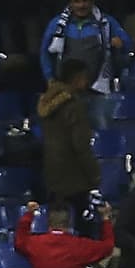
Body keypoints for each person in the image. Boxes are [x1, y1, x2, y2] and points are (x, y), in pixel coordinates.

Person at [39, 0, 132, 127]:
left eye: (84, 0)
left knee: (100, 127)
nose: (81, 5)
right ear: (70, 3)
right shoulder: (57, 25)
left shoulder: (106, 23)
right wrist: (49, 77)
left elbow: (128, 44)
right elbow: (45, 53)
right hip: (65, 91)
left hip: (98, 90)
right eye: (76, 1)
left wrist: (121, 43)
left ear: (92, 2)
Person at [39, 58, 101, 213]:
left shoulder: (47, 102)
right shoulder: (73, 105)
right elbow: (81, 145)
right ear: (77, 78)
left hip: (52, 176)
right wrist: (94, 176)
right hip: (75, 179)